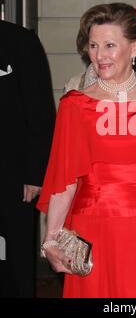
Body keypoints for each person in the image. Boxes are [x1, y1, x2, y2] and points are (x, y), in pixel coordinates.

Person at [37, 3, 136, 298]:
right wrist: (50, 239)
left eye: (110, 45)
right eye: (93, 45)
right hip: (93, 232)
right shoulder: (74, 106)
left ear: (135, 47)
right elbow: (64, 183)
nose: (100, 55)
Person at [0, 20, 55, 297]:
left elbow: (41, 112)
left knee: (15, 257)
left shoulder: (20, 41)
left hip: (12, 175)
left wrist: (35, 174)